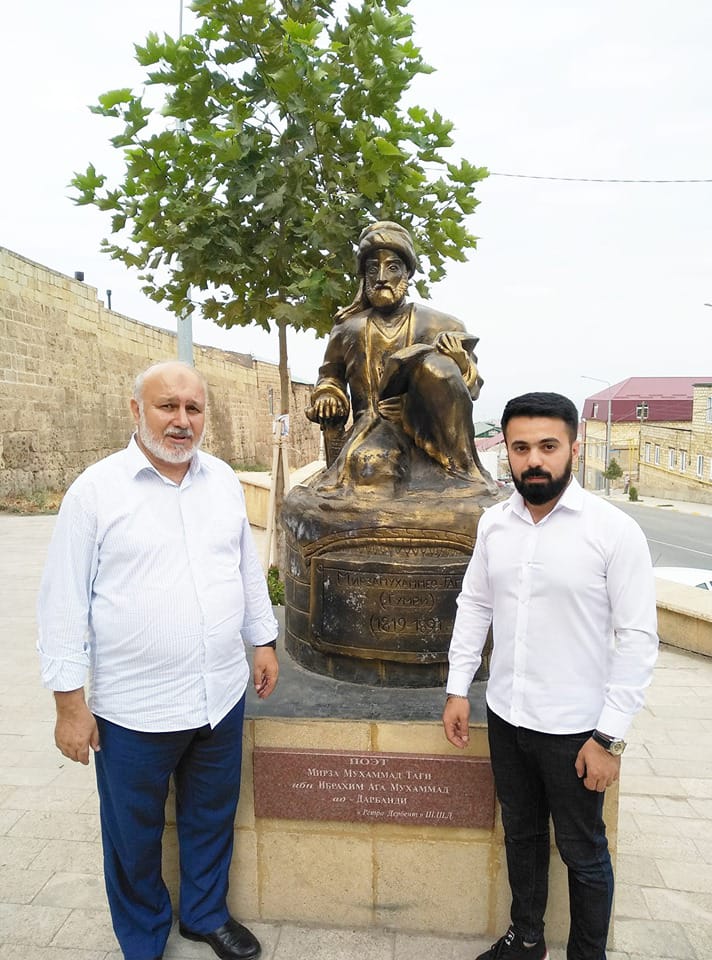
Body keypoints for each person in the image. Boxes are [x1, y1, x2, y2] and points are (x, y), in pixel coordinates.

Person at [37, 360, 279, 960]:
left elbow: (245, 569)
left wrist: (263, 640)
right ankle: (143, 937)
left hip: (219, 695)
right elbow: (62, 603)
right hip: (134, 710)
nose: (181, 420)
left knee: (211, 815)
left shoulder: (222, 481)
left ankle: (204, 914)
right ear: (136, 410)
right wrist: (69, 705)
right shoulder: (95, 492)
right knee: (133, 835)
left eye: (193, 408)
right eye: (167, 406)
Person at [442, 392, 658, 960]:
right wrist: (458, 687)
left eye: (547, 446)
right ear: (507, 452)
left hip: (576, 730)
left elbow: (638, 638)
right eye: (521, 448)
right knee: (522, 835)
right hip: (507, 716)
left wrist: (609, 738)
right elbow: (475, 605)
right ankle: (526, 939)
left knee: (583, 853)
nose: (534, 460)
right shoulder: (495, 525)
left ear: (573, 450)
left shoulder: (613, 531)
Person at [306, 220, 493, 492]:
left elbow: (471, 390)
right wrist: (328, 396)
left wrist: (460, 363)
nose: (381, 277)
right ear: (364, 276)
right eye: (373, 269)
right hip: (373, 429)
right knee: (374, 465)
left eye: (392, 267)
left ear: (407, 273)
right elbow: (330, 377)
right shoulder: (348, 329)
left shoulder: (442, 325)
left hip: (434, 436)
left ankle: (460, 478)